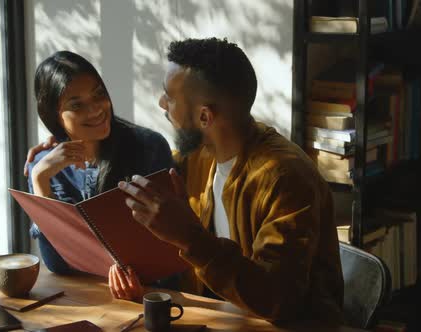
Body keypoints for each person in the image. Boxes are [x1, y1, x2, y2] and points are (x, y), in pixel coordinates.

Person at [115, 38, 344, 323]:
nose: (161, 104)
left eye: (169, 98)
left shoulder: (284, 177)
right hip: (217, 319)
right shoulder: (197, 157)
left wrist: (191, 238)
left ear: (204, 116)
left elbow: (278, 300)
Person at [26, 50, 174, 302]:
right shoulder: (44, 166)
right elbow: (57, 262)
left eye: (99, 94)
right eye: (76, 104)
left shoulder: (148, 147)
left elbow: (168, 245)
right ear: (54, 115)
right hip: (80, 299)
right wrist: (39, 180)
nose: (95, 109)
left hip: (154, 297)